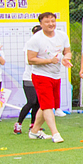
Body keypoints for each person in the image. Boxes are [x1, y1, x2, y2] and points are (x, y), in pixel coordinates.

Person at [25, 11, 71, 143]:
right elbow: (31, 59)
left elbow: (67, 52)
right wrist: (49, 61)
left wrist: (65, 59)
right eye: (47, 22)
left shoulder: (62, 36)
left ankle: (34, 132)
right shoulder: (35, 39)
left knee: (45, 105)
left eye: (53, 21)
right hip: (41, 76)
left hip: (56, 75)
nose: (51, 24)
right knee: (47, 106)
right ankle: (55, 133)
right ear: (41, 24)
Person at [13, 25, 42, 135]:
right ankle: (19, 123)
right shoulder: (30, 44)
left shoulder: (45, 44)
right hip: (29, 78)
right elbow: (30, 61)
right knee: (31, 101)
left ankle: (33, 125)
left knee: (38, 103)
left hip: (40, 77)